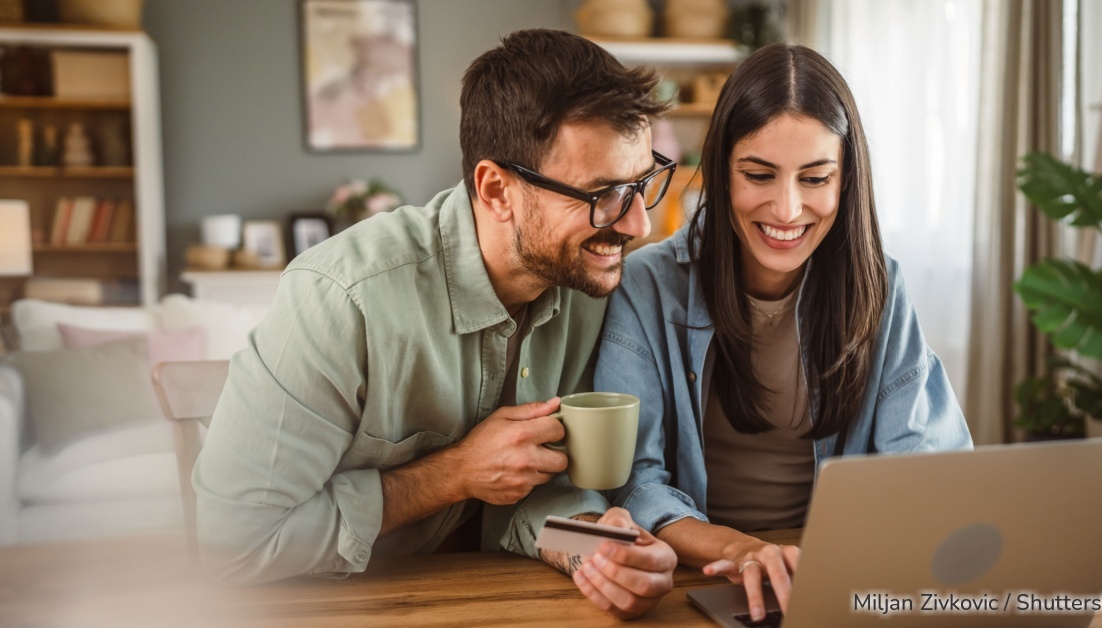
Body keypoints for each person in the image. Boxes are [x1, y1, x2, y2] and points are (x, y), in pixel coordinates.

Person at [193, 29, 678, 620]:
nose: (637, 226)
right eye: (603, 194)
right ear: (496, 189)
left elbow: (530, 496)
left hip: (496, 603)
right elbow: (231, 542)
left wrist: (596, 551)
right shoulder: (342, 299)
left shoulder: (588, 284)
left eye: (642, 184)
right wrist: (453, 475)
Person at [595, 43, 973, 623]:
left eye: (816, 177)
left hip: (830, 576)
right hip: (700, 576)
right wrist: (742, 549)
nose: (788, 209)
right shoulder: (647, 286)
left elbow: (922, 467)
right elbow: (634, 484)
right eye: (759, 175)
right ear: (721, 171)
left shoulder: (880, 286)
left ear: (846, 181)